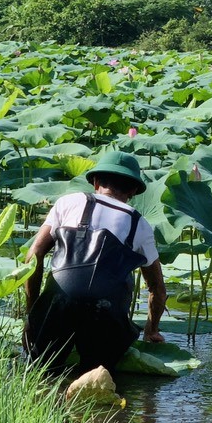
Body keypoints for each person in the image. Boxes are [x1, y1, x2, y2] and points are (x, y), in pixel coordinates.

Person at [23, 150, 166, 377]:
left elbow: (34, 255)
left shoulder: (68, 202)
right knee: (94, 381)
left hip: (60, 300)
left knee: (41, 375)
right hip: (105, 310)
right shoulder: (140, 224)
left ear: (96, 181)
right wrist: (151, 330)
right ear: (133, 191)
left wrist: (32, 313)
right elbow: (157, 288)